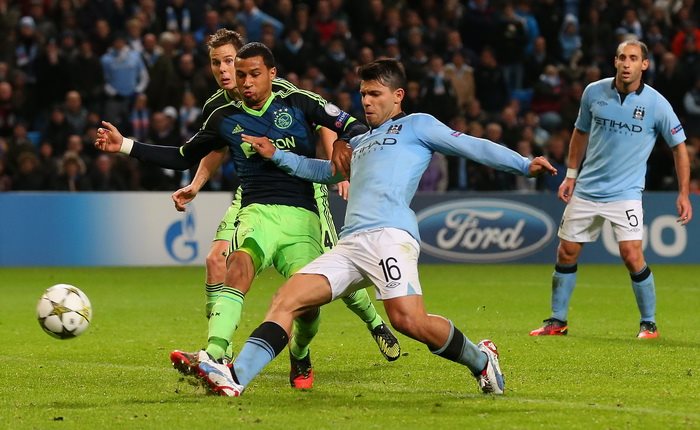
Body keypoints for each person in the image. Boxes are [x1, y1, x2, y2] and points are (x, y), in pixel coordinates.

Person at [194, 58, 556, 397]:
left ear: (398, 96)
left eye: (375, 94)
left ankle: (481, 359)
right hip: (350, 245)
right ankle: (236, 377)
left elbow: (471, 146)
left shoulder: (417, 125)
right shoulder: (358, 141)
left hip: (389, 237)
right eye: (363, 94)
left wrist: (524, 165)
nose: (366, 101)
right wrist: (277, 155)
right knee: (286, 300)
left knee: (408, 320)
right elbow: (323, 171)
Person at [94, 40, 399, 390]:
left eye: (254, 74)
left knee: (307, 307)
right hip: (257, 211)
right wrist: (125, 145)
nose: (246, 82)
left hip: (304, 216)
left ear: (272, 73)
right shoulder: (223, 116)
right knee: (236, 265)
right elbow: (183, 156)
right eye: (241, 75)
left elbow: (354, 126)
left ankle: (300, 352)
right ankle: (214, 354)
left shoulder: (298, 100)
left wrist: (343, 142)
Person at [529, 40, 692, 339]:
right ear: (615, 61)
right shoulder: (593, 92)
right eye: (622, 57)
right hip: (587, 189)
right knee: (566, 252)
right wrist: (571, 175)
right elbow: (580, 133)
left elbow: (679, 147)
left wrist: (683, 193)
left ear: (644, 64)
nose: (627, 64)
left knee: (631, 254)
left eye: (633, 58)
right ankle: (557, 321)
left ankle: (649, 324)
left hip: (626, 193)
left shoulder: (657, 104)